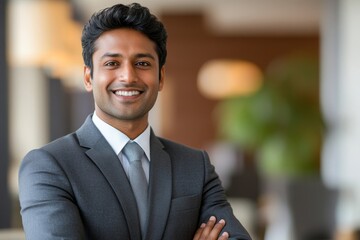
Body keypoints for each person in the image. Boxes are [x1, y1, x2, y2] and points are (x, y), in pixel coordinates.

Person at [18, 3, 251, 240]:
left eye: (142, 63)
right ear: (88, 77)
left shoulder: (195, 166)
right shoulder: (49, 166)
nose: (128, 76)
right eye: (112, 63)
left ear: (160, 78)